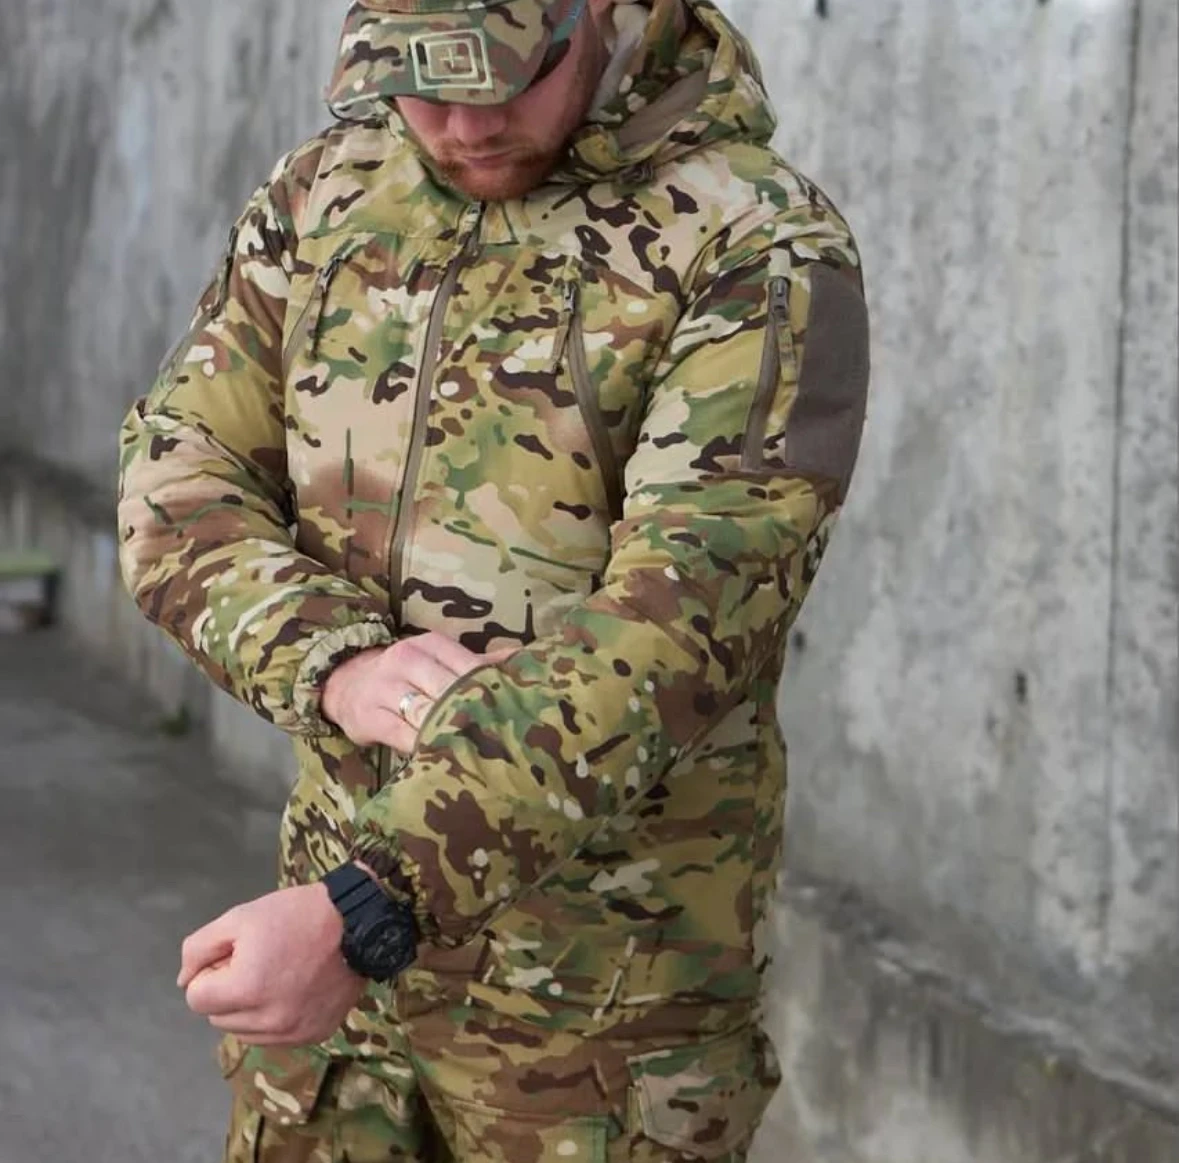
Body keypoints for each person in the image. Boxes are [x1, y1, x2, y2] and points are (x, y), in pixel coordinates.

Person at [117, 0, 870, 1158]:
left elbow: (676, 629)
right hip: (335, 1018)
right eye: (418, 85)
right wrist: (335, 661)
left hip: (593, 1010)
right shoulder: (326, 197)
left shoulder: (752, 242)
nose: (464, 126)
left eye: (510, 77)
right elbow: (176, 478)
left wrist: (369, 906)